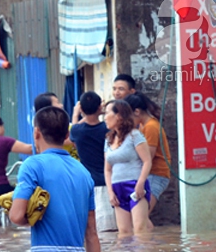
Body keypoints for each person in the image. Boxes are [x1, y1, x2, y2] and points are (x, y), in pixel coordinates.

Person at [8, 106, 111, 252]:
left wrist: (31, 216)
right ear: (67, 135)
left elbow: (17, 216)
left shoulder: (32, 165)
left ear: (36, 133)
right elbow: (91, 233)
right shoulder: (83, 172)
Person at [69, 91, 117, 232]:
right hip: (108, 182)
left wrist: (76, 115)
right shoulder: (108, 130)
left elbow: (73, 131)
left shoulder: (77, 131)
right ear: (100, 108)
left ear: (82, 109)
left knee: (92, 229)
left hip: (87, 184)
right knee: (112, 229)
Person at [103, 100, 152, 236]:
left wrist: (141, 183)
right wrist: (110, 192)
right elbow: (107, 169)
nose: (105, 117)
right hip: (117, 188)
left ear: (118, 115)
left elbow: (147, 161)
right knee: (124, 231)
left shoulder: (134, 135)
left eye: (107, 113)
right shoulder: (108, 139)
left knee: (140, 229)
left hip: (135, 185)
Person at [125, 92, 171, 224]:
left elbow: (148, 157)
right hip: (151, 174)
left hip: (156, 174)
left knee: (140, 220)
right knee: (141, 219)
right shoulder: (143, 125)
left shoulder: (151, 127)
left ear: (137, 112)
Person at [34, 92, 78, 160]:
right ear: (48, 109)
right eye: (57, 103)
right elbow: (72, 139)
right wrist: (76, 114)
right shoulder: (47, 130)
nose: (61, 105)